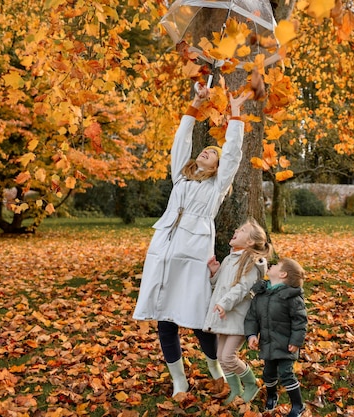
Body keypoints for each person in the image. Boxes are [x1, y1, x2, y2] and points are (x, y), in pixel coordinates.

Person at [132, 83, 252, 396]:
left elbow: (233, 156)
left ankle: (214, 368)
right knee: (164, 317)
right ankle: (178, 380)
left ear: (216, 167)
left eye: (213, 153)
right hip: (163, 250)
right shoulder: (181, 179)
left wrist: (235, 114)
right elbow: (180, 144)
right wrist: (195, 104)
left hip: (194, 253)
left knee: (199, 317)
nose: (206, 151)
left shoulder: (216, 188)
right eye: (206, 150)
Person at [202, 218, 272, 405]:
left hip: (240, 317)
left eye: (241, 230)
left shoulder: (251, 262)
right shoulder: (229, 258)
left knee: (228, 356)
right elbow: (221, 285)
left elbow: (242, 288)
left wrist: (224, 304)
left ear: (249, 242)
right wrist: (215, 273)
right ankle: (235, 389)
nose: (235, 229)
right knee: (220, 356)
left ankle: (251, 384)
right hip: (226, 316)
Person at [244, 258, 308, 417]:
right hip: (267, 343)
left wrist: (296, 341)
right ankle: (272, 395)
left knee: (286, 373)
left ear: (282, 274)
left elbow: (300, 321)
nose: (270, 266)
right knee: (268, 373)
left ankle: (297, 405)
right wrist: (252, 334)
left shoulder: (291, 297)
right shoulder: (261, 294)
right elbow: (252, 317)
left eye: (275, 265)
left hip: (286, 344)